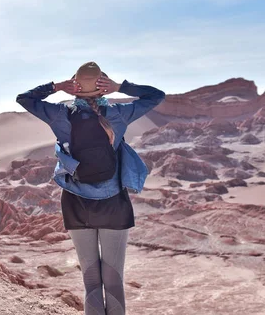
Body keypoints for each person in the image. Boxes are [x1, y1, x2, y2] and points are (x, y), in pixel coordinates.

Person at [16, 61, 165, 315]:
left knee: (91, 281)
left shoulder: (60, 115)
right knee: (114, 281)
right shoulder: (119, 114)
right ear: (103, 88)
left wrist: (56, 86)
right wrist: (121, 87)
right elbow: (156, 95)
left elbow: (24, 98)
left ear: (75, 89)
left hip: (76, 205)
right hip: (114, 206)